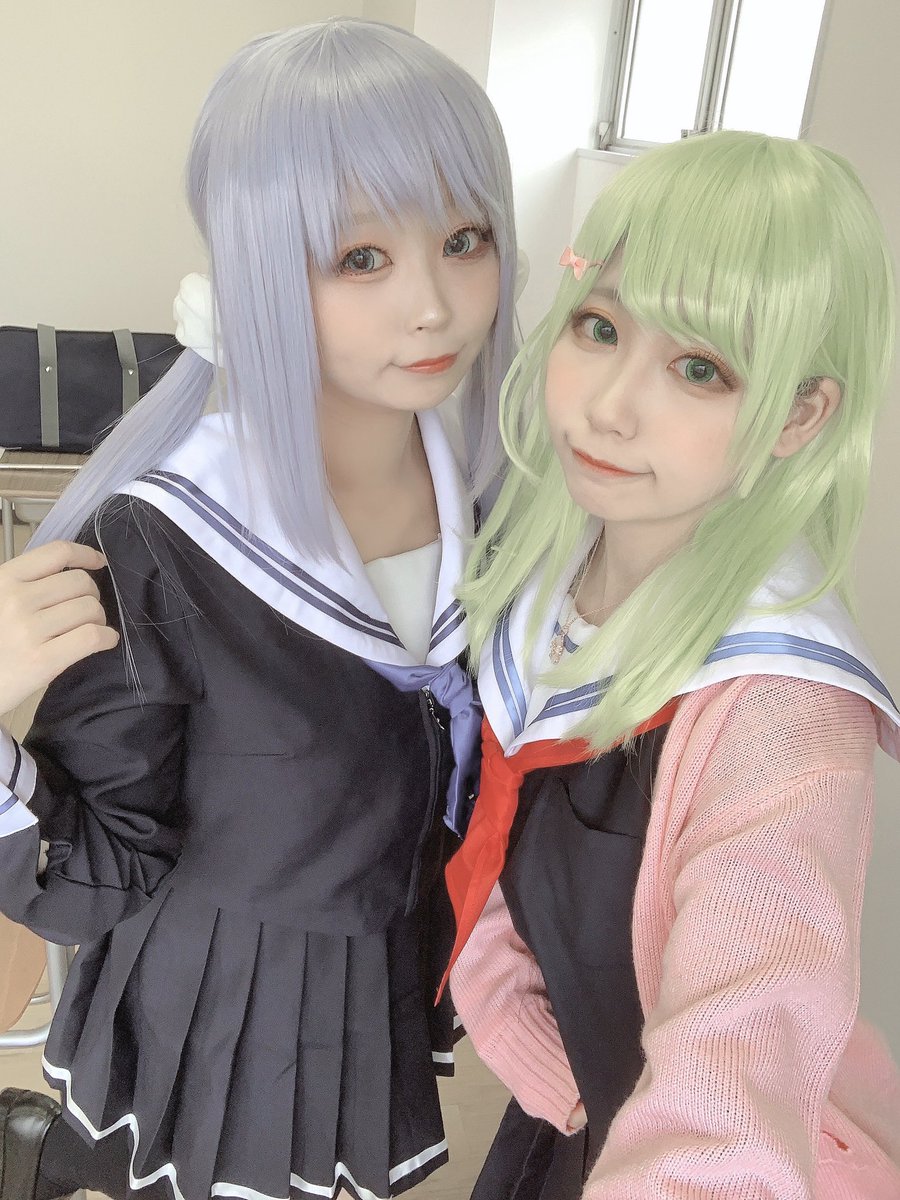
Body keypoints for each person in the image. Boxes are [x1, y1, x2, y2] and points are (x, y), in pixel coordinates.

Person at [0, 17, 518, 1200]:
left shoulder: (499, 508)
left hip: (386, 989)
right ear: (252, 267)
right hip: (215, 1024)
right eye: (360, 257)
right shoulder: (161, 546)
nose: (434, 306)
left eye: (464, 239)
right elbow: (90, 877)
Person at [444, 131, 900, 1198]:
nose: (609, 405)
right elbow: (492, 841)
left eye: (700, 369)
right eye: (600, 328)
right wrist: (554, 1074)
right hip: (575, 1128)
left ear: (799, 415)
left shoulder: (783, 713)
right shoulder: (544, 584)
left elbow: (739, 1061)